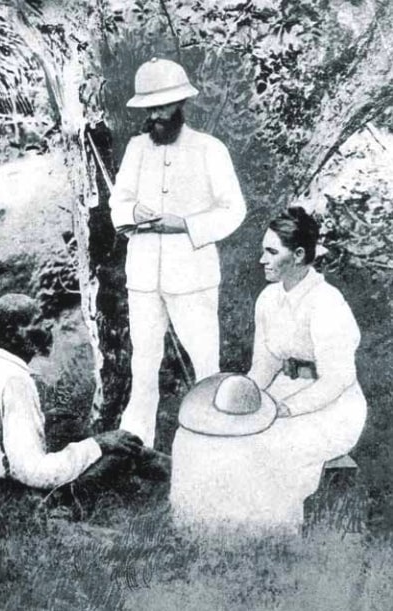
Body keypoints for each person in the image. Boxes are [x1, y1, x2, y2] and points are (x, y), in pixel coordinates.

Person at [171, 207, 367, 533]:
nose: (262, 259)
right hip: (278, 395)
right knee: (201, 439)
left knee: (262, 447)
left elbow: (338, 378)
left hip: (332, 408)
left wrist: (288, 408)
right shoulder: (268, 300)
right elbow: (263, 367)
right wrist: (238, 403)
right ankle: (206, 536)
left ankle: (271, 541)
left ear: (299, 255)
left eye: (272, 251)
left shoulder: (327, 303)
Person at [109, 57, 246, 447]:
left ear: (181, 104)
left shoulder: (209, 149)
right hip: (144, 275)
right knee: (143, 363)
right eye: (149, 108)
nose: (155, 115)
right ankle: (136, 449)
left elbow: (233, 209)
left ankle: (214, 441)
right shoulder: (137, 149)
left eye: (163, 106)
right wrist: (134, 212)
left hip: (193, 276)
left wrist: (184, 223)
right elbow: (118, 202)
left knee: (205, 362)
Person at [0, 293, 146, 508]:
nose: (48, 326)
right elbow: (33, 472)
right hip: (5, 498)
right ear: (12, 334)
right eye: (37, 322)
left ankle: (170, 470)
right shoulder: (16, 382)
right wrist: (98, 444)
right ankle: (176, 479)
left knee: (63, 420)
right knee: (119, 456)